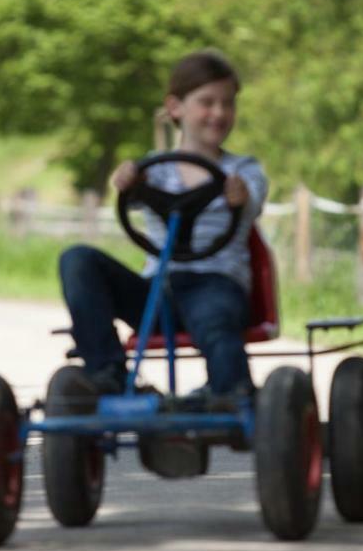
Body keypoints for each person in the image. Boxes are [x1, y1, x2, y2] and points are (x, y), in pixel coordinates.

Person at [57, 49, 268, 405]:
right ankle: (107, 373)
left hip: (216, 285)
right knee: (77, 259)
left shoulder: (242, 170)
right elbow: (128, 188)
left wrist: (240, 196)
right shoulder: (152, 170)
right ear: (175, 108)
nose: (218, 113)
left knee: (214, 318)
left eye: (227, 103)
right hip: (157, 293)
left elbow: (254, 197)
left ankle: (230, 390)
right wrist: (125, 180)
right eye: (207, 102)